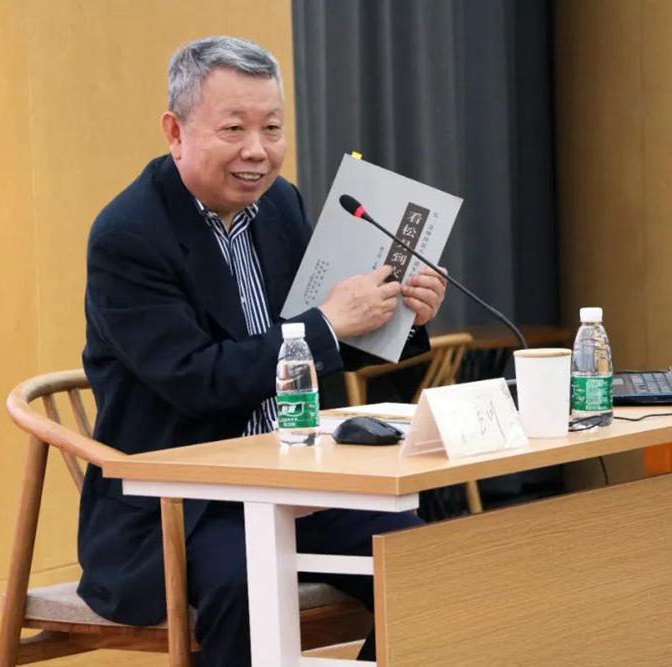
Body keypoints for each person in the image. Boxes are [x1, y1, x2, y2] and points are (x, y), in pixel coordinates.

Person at [77, 36, 447, 665]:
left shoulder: (280, 203)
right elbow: (197, 380)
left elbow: (320, 345)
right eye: (234, 128)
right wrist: (328, 323)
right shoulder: (128, 235)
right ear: (175, 131)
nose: (258, 150)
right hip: (185, 504)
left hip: (298, 480)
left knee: (426, 565)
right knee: (248, 583)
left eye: (272, 128)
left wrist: (400, 315)